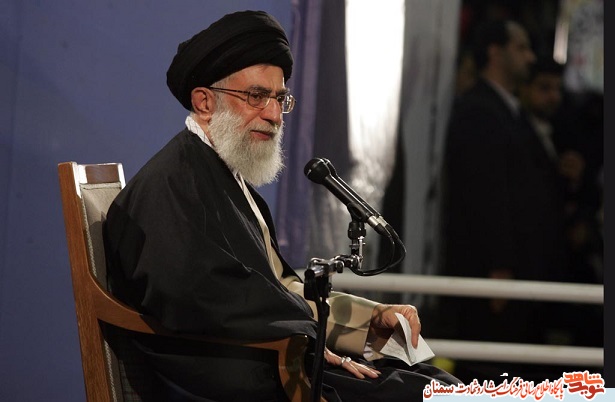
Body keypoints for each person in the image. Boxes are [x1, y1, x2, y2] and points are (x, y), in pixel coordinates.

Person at [103, 10, 460, 401]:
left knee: (436, 383)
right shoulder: (170, 186)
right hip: (230, 378)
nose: (273, 115)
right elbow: (205, 302)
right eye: (256, 96)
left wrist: (370, 321)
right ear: (204, 102)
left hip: (269, 359)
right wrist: (307, 343)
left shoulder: (225, 177)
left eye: (279, 98)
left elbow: (277, 290)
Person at [433, 19, 575, 382]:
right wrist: (500, 266)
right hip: (493, 274)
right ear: (495, 53)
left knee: (510, 365)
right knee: (490, 368)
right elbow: (485, 194)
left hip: (518, 270)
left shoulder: (508, 110)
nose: (530, 57)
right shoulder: (480, 110)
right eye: (521, 48)